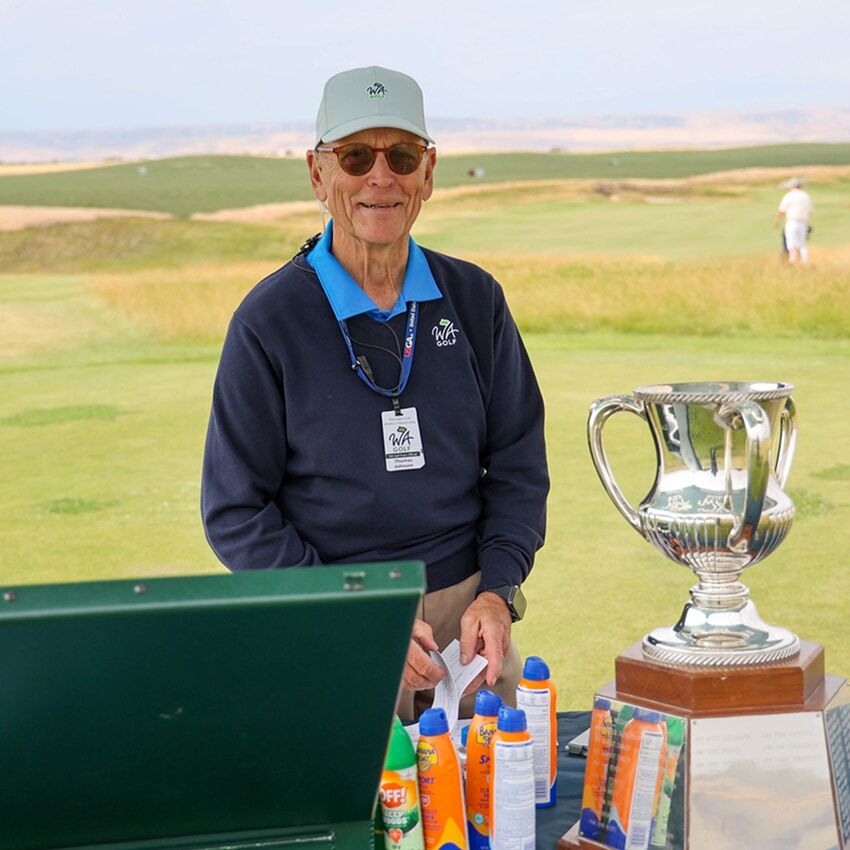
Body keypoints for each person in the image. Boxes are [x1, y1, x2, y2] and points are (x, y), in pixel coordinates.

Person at [201, 66, 549, 721]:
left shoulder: (475, 300)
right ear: (317, 173)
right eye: (355, 157)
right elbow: (234, 512)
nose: (380, 178)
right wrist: (353, 609)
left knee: (497, 813)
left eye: (402, 155)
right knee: (352, 820)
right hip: (334, 620)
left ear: (429, 171)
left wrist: (498, 593)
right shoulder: (269, 320)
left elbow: (518, 465)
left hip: (467, 628)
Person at [774, 177, 813, 264]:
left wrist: (776, 221)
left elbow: (781, 210)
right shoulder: (806, 196)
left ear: (792, 186)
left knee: (792, 245)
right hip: (803, 223)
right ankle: (805, 263)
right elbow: (810, 211)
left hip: (792, 222)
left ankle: (793, 263)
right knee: (802, 244)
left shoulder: (789, 195)